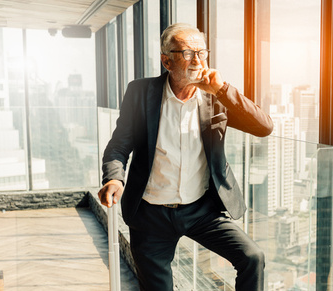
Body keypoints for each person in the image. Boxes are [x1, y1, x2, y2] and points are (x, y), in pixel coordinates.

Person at [98, 23, 273, 291]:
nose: (197, 60)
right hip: (150, 214)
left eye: (201, 52)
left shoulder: (216, 98)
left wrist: (222, 89)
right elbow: (119, 145)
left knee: (252, 258)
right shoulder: (141, 93)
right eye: (188, 53)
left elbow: (264, 127)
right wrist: (115, 179)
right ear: (166, 60)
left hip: (202, 210)